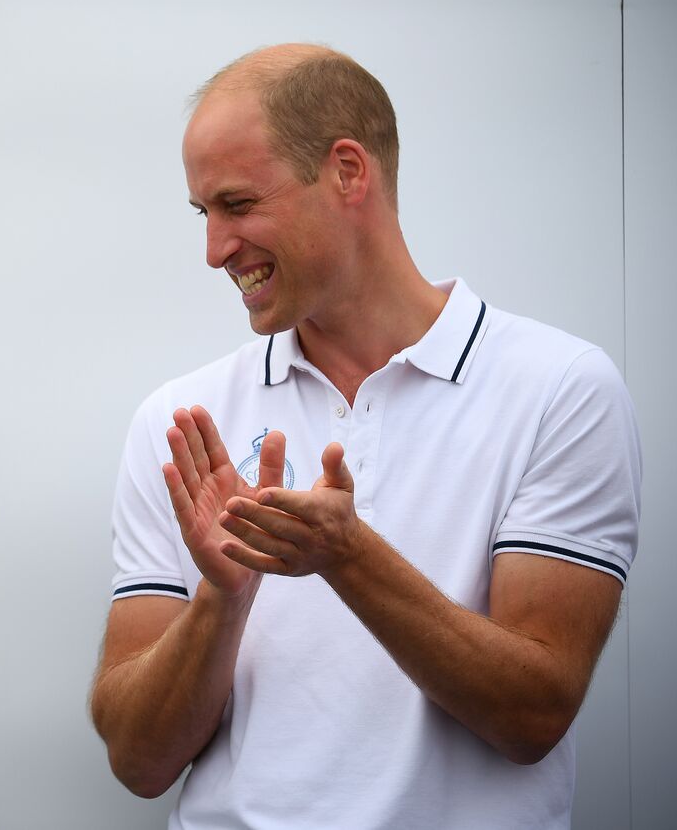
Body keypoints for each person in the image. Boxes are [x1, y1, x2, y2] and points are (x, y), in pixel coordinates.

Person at [91, 44, 641, 829]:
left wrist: (347, 556)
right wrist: (222, 596)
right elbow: (139, 764)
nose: (214, 250)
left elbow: (534, 714)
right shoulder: (181, 421)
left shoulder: (561, 390)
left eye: (238, 205)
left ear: (349, 171)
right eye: (202, 213)